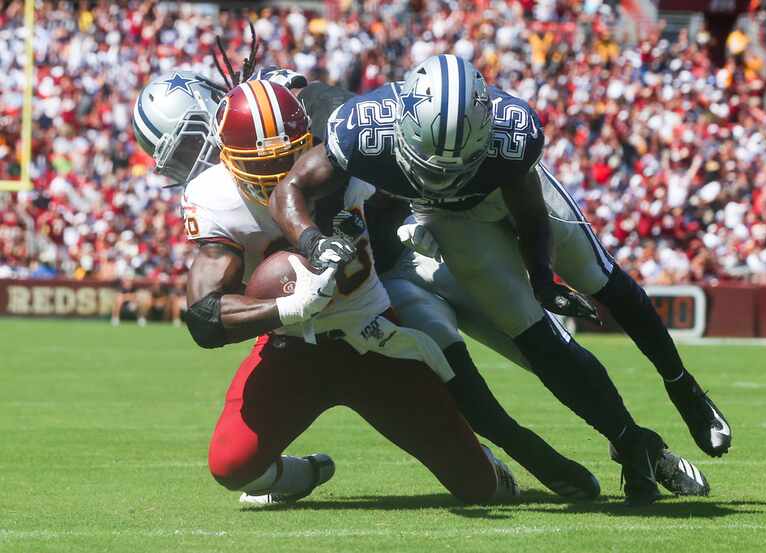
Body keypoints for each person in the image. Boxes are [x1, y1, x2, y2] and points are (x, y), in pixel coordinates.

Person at [271, 55, 709, 506]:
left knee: (546, 348)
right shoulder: (306, 164)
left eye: (286, 131)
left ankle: (643, 448)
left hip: (446, 246)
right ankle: (534, 454)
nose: (277, 150)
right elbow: (287, 196)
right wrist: (311, 243)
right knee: (461, 380)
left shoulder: (349, 120)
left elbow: (313, 95)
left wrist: (542, 276)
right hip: (390, 284)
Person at [136, 72, 521, 505]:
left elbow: (410, 181)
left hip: (373, 338)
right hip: (291, 348)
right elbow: (204, 320)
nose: (274, 173)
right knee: (232, 466)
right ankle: (305, 473)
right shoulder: (214, 196)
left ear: (307, 141)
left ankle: (478, 460)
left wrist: (418, 219)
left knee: (481, 489)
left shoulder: (340, 157)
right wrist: (287, 310)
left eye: (285, 159)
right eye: (258, 164)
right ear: (230, 159)